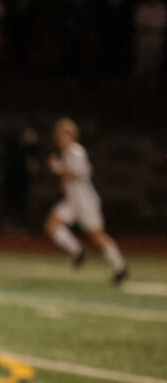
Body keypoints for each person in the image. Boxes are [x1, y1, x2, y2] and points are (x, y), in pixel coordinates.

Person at [42, 118, 128, 285]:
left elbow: (77, 174)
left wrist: (58, 168)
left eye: (64, 134)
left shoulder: (76, 152)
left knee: (97, 236)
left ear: (71, 135)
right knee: (52, 225)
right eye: (59, 134)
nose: (60, 138)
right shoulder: (67, 154)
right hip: (73, 202)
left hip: (85, 201)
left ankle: (120, 267)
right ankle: (78, 251)